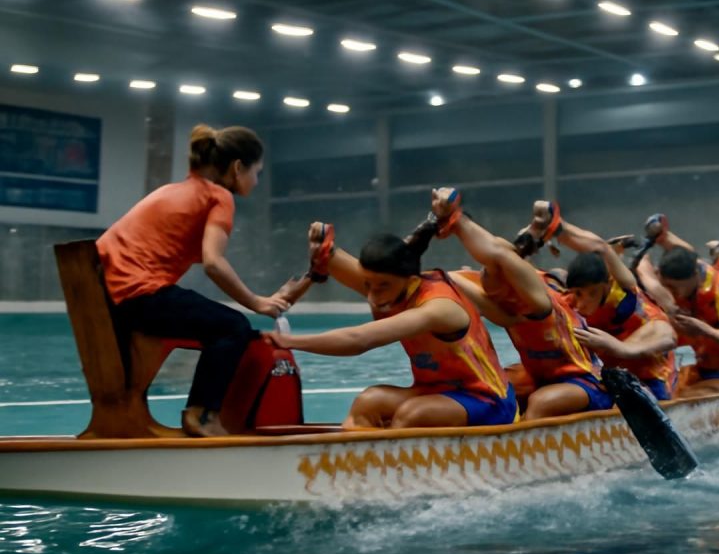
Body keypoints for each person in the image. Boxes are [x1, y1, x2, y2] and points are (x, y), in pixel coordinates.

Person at [96, 124, 292, 437]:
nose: (256, 181)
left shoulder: (174, 191)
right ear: (237, 168)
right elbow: (214, 263)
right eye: (256, 172)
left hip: (108, 296)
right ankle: (202, 415)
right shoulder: (218, 196)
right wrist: (256, 303)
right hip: (139, 295)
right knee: (233, 327)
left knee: (215, 319)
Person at [268, 223, 517, 429]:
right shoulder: (390, 285)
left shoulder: (439, 307)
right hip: (434, 392)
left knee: (414, 414)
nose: (373, 296)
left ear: (410, 280)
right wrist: (321, 246)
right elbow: (334, 259)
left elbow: (359, 339)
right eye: (368, 285)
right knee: (368, 402)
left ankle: (395, 468)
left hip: (486, 400)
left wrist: (290, 341)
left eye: (381, 287)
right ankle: (352, 464)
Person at [429, 188, 609, 419]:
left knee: (540, 401)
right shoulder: (506, 310)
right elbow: (457, 275)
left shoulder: (541, 303)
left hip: (583, 382)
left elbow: (501, 254)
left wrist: (457, 221)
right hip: (538, 378)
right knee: (488, 387)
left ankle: (519, 439)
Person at [519, 202, 678, 401]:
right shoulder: (570, 299)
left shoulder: (632, 305)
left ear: (605, 286)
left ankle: (558, 226)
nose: (580, 303)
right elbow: (521, 273)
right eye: (577, 294)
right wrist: (528, 240)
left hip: (652, 376)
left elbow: (669, 337)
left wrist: (618, 348)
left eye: (589, 294)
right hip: (603, 376)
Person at [636, 248, 719, 396]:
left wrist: (705, 330)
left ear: (695, 277)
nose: (669, 292)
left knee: (685, 396)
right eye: (665, 286)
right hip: (690, 364)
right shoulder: (662, 285)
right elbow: (643, 268)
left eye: (673, 287)